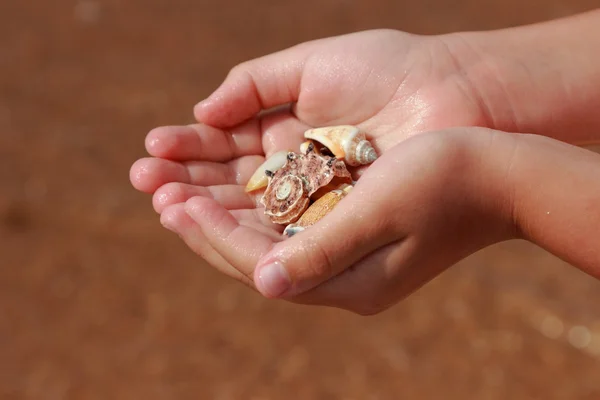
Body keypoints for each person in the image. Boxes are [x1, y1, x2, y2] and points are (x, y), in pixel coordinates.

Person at [130, 9, 600, 315]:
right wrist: (469, 79)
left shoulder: (327, 161)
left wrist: (504, 185)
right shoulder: (314, 158)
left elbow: (496, 179)